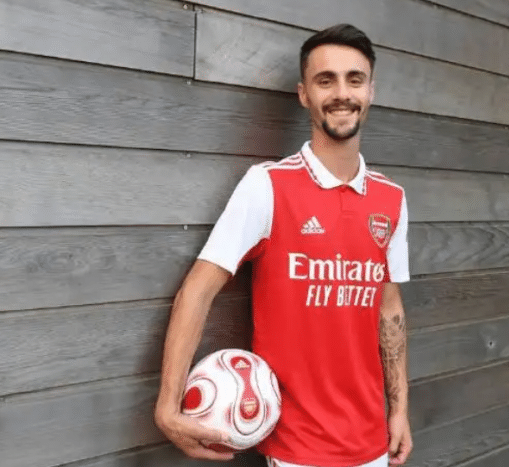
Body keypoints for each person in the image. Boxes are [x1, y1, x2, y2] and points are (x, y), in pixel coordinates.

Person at [154, 23, 413, 467]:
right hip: (298, 446)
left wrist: (400, 409)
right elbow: (197, 290)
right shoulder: (267, 186)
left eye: (354, 79)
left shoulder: (392, 198)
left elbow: (389, 308)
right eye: (325, 80)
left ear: (371, 91)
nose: (342, 93)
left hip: (372, 441)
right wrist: (167, 404)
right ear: (304, 94)